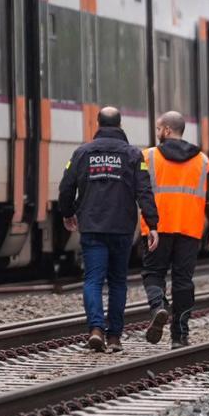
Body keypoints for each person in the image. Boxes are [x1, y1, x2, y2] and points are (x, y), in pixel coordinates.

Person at [58, 106, 159, 353]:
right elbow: (144, 191)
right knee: (117, 282)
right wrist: (152, 224)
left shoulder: (82, 153)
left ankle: (95, 330)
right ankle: (114, 337)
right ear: (120, 124)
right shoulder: (133, 155)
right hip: (122, 226)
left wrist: (67, 212)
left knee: (93, 279)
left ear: (98, 123)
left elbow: (66, 186)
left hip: (92, 224)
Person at [140, 110, 209, 349]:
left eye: (158, 129)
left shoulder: (148, 157)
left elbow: (141, 193)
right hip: (189, 230)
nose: (157, 133)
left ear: (166, 130)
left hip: (156, 229)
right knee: (183, 281)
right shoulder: (202, 161)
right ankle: (180, 335)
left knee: (153, 273)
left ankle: (159, 307)